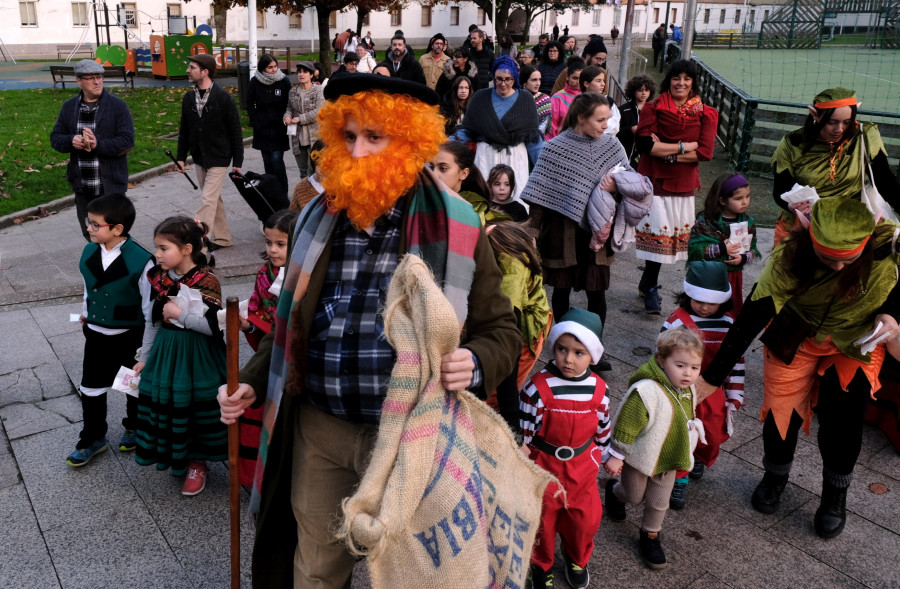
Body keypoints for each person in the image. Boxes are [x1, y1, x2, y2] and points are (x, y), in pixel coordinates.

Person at [217, 74, 521, 587]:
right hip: (322, 429)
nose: (357, 151)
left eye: (374, 137)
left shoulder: (460, 225)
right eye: (349, 136)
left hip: (411, 437)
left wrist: (478, 360)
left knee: (407, 572)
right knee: (315, 566)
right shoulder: (316, 217)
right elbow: (291, 322)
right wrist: (250, 377)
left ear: (410, 141)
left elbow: (501, 330)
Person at [696, 197, 900, 539]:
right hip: (796, 333)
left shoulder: (888, 246)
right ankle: (775, 476)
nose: (836, 268)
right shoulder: (789, 255)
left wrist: (892, 313)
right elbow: (752, 316)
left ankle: (835, 496)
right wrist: (713, 377)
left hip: (854, 338)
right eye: (827, 259)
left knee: (844, 419)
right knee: (781, 412)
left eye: (846, 261)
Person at [522, 93, 649, 353]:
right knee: (561, 290)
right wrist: (531, 232)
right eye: (600, 120)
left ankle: (593, 348)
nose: (606, 125)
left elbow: (628, 180)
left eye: (608, 120)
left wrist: (618, 184)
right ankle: (564, 344)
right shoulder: (554, 148)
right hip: (562, 231)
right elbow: (539, 195)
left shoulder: (612, 146)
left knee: (597, 292)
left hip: (597, 232)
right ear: (581, 118)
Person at [133, 217, 227, 496]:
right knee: (170, 403)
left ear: (187, 249)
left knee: (196, 405)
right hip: (166, 350)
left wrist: (180, 315)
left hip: (198, 353)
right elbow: (153, 320)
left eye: (163, 249)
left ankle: (198, 462)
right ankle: (179, 455)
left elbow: (214, 327)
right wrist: (144, 356)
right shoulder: (158, 278)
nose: (157, 255)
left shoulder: (207, 280)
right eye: (156, 248)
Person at [520, 308, 610, 589]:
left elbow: (603, 425)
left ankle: (577, 557)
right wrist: (519, 451)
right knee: (543, 521)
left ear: (592, 355)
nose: (568, 359)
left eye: (578, 353)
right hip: (544, 464)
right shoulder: (537, 387)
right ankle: (541, 565)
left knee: (585, 519)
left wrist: (608, 453)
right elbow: (524, 429)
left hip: (582, 464)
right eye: (562, 349)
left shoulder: (599, 389)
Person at [604, 327, 705, 570]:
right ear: (661, 361)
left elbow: (686, 416)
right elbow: (628, 424)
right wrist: (617, 455)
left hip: (670, 456)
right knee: (634, 496)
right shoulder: (647, 391)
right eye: (680, 365)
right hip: (641, 456)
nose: (688, 374)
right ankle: (615, 491)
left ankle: (650, 534)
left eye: (694, 367)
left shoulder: (687, 388)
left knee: (660, 501)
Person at [66, 195, 152, 467]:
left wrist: (147, 351)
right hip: (95, 332)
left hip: (130, 334)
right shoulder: (88, 251)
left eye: (95, 224)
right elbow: (87, 286)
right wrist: (85, 310)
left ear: (117, 229)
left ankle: (135, 427)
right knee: (90, 387)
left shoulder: (142, 260)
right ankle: (92, 438)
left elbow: (150, 308)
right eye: (88, 222)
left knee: (133, 385)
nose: (88, 228)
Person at [634, 59, 719, 314]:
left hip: (682, 183)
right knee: (657, 238)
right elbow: (646, 146)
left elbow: (704, 151)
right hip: (656, 181)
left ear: (693, 83)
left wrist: (667, 153)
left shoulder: (706, 113)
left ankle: (650, 284)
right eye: (676, 78)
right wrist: (684, 146)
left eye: (687, 79)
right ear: (668, 80)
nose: (680, 83)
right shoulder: (653, 107)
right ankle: (649, 285)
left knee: (673, 240)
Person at [660, 261, 745, 510]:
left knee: (711, 434)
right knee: (680, 436)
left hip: (713, 393)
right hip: (680, 391)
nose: (705, 307)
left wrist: (735, 395)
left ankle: (699, 457)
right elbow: (660, 358)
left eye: (712, 302)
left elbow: (736, 363)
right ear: (688, 295)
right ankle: (679, 479)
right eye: (699, 300)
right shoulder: (676, 322)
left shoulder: (729, 325)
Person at [770, 87, 900, 246]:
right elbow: (780, 188)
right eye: (832, 122)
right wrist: (790, 205)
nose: (839, 129)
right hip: (802, 223)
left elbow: (885, 181)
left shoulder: (863, 135)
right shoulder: (793, 143)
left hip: (846, 224)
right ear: (814, 114)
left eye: (847, 122)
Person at [236, 209, 298, 488]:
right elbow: (257, 311)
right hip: (268, 354)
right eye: (268, 243)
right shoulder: (264, 274)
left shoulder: (304, 276)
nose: (272, 250)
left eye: (280, 244)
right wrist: (248, 326)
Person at [50, 59, 134, 242]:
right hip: (83, 185)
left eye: (100, 77)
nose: (97, 82)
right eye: (91, 78)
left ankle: (119, 268)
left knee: (114, 235)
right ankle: (100, 268)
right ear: (79, 81)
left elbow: (127, 141)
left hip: (109, 185)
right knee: (91, 235)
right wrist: (71, 140)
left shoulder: (117, 106)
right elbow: (55, 139)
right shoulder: (69, 108)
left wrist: (98, 145)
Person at [175, 54, 243, 251]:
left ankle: (199, 246)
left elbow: (236, 132)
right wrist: (180, 158)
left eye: (192, 67)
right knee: (214, 199)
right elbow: (184, 130)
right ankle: (223, 238)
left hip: (220, 157)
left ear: (205, 72)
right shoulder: (189, 98)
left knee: (207, 200)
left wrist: (238, 161)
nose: (188, 70)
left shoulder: (223, 98)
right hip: (199, 157)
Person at [452, 57, 543, 203]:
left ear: (514, 78)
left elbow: (533, 139)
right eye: (499, 79)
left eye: (508, 79)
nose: (503, 83)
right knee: (484, 200)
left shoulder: (525, 99)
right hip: (486, 157)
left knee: (516, 202)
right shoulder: (481, 97)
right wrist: (447, 145)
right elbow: (468, 130)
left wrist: (544, 166)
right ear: (493, 77)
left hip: (515, 157)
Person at [486, 220, 551, 396]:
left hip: (526, 328)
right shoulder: (509, 246)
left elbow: (510, 312)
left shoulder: (511, 263)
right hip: (521, 319)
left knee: (503, 387)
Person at [688, 173, 759, 313]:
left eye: (748, 196)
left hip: (733, 277)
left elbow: (753, 250)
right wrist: (722, 248)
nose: (745, 202)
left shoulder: (748, 222)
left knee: (728, 311)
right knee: (704, 309)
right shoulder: (706, 221)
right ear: (722, 200)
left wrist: (743, 258)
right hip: (708, 276)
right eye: (739, 198)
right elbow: (694, 249)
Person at [246, 54, 292, 200]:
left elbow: (289, 103)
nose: (274, 70)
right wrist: (255, 120)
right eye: (270, 67)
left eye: (275, 66)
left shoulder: (283, 81)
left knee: (277, 160)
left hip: (279, 128)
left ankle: (283, 193)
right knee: (267, 162)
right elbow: (249, 102)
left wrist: (286, 117)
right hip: (262, 128)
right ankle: (272, 193)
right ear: (263, 68)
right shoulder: (255, 81)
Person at [430, 141, 499, 225]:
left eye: (443, 168)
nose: (434, 174)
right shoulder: (420, 198)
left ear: (463, 173)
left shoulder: (473, 208)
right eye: (431, 167)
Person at [283, 61, 324, 179]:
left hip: (315, 137)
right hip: (298, 137)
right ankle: (303, 195)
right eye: (299, 72)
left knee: (313, 171)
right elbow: (289, 108)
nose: (301, 74)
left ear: (311, 75)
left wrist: (300, 118)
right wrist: (286, 116)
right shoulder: (293, 91)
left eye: (305, 72)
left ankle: (314, 196)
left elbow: (320, 111)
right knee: (303, 171)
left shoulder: (318, 90)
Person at [617, 73, 657, 166]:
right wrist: (631, 129)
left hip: (647, 156)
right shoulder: (623, 110)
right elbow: (616, 131)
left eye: (647, 90)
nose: (644, 93)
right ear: (633, 91)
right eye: (640, 90)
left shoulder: (655, 109)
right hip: (626, 156)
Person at [547, 59, 583, 140]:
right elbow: (551, 126)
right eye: (575, 78)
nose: (578, 82)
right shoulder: (557, 98)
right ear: (567, 77)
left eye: (581, 78)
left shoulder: (587, 96)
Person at [579, 66, 620, 136]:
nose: (603, 84)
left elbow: (614, 127)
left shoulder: (609, 101)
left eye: (603, 80)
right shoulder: (579, 102)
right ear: (586, 84)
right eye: (598, 81)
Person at [520, 65, 552, 137]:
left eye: (539, 79)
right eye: (534, 80)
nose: (538, 83)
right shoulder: (516, 97)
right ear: (525, 82)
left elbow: (544, 126)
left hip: (537, 140)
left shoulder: (544, 99)